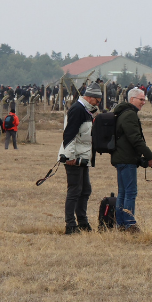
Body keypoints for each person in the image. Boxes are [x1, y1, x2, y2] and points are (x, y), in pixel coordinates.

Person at [110, 87, 152, 233]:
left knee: (123, 193)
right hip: (126, 159)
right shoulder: (129, 115)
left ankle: (120, 224)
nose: (144, 102)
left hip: (121, 158)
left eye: (144, 99)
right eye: (141, 99)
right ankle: (129, 225)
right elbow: (135, 139)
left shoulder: (121, 113)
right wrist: (149, 156)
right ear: (132, 99)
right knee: (130, 193)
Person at [58, 84, 101, 234]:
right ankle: (70, 225)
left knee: (85, 190)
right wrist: (69, 156)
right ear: (89, 97)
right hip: (73, 157)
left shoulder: (86, 110)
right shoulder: (78, 110)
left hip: (82, 157)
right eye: (97, 100)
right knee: (75, 190)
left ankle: (82, 222)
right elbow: (69, 134)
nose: (98, 103)